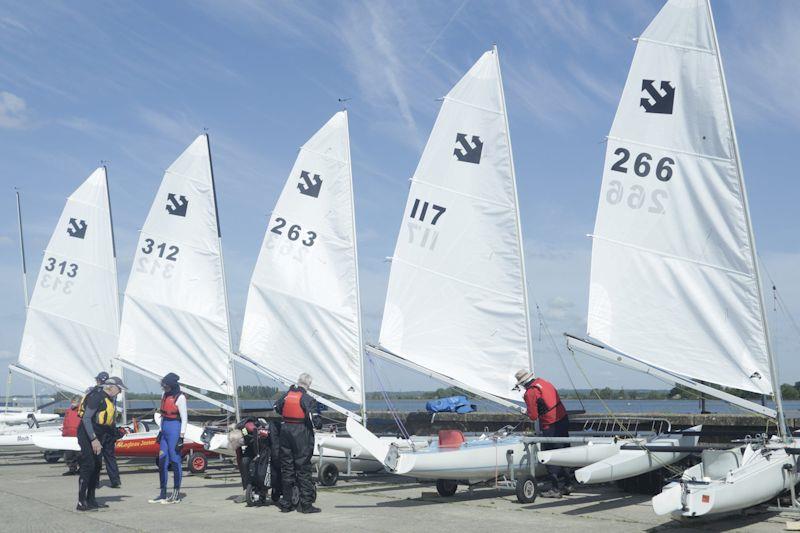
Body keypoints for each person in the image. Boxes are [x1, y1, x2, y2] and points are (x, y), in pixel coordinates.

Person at [515, 369, 572, 498]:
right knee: (565, 451)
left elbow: (534, 416)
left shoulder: (530, 393)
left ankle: (555, 489)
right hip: (562, 419)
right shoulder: (545, 382)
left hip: (550, 424)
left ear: (522, 383)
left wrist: (527, 413)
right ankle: (568, 484)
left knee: (550, 455)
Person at [76, 376, 126, 511]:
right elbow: (86, 419)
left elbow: (106, 422)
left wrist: (116, 433)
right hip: (87, 434)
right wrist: (94, 440)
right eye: (119, 389)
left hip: (100, 435)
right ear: (112, 387)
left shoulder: (109, 399)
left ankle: (91, 500)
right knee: (88, 466)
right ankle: (81, 502)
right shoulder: (97, 396)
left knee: (97, 467)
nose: (120, 392)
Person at [274, 373, 320, 514]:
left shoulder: (286, 395)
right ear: (308, 385)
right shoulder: (307, 399)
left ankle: (287, 503)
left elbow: (276, 407)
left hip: (285, 431)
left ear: (298, 382)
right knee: (303, 468)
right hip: (300, 434)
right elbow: (316, 422)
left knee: (287, 468)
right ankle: (306, 505)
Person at [149, 372, 187, 504]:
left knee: (175, 460)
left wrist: (181, 436)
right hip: (165, 428)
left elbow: (184, 418)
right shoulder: (164, 395)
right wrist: (160, 431)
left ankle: (176, 495)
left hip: (175, 428)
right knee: (162, 460)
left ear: (171, 385)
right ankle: (163, 493)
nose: (163, 388)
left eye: (165, 386)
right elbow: (162, 415)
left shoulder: (180, 397)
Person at [62, 397, 82, 476]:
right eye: (72, 402)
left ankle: (82, 469)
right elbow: (65, 422)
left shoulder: (81, 411)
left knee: (79, 454)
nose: (72, 403)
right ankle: (72, 469)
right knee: (69, 454)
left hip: (78, 435)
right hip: (68, 435)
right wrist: (64, 432)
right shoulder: (68, 411)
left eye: (74, 402)